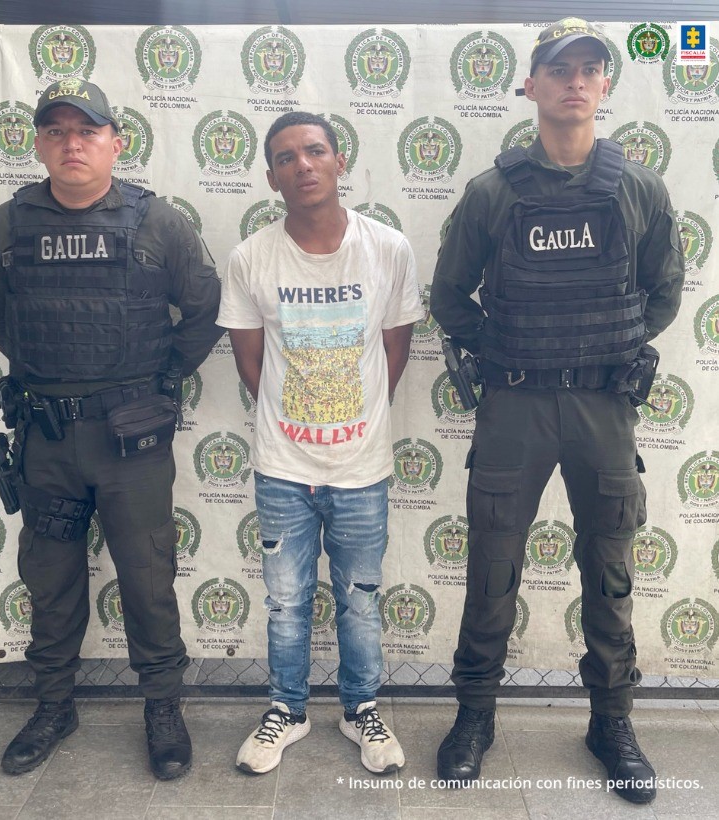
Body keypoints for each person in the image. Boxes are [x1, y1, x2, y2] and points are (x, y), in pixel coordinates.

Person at [430, 18, 684, 804]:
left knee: (608, 570)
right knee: (492, 569)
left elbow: (665, 292)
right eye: (558, 68)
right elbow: (447, 297)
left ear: (605, 85)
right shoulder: (493, 192)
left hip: (603, 407)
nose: (575, 80)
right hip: (515, 404)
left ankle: (611, 722)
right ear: (531, 85)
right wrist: (504, 345)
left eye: (589, 68)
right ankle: (475, 715)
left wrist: (609, 344)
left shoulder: (639, 187)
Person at [0, 78, 223, 780]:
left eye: (87, 131)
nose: (71, 144)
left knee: (146, 577)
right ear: (40, 142)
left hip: (129, 440)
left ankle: (163, 706)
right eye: (56, 131)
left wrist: (157, 379)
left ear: (117, 141)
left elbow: (201, 311)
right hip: (46, 440)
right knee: (48, 578)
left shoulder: (157, 222)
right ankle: (54, 705)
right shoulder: (7, 225)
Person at [218, 112, 424, 775]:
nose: (302, 164)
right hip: (282, 466)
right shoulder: (252, 257)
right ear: (271, 176)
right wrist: (294, 422)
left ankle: (362, 709)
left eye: (314, 151)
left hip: (362, 466)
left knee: (360, 596)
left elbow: (394, 353)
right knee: (285, 601)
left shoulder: (387, 248)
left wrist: (353, 421)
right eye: (285, 157)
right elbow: (251, 364)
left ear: (340, 162)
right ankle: (288, 708)